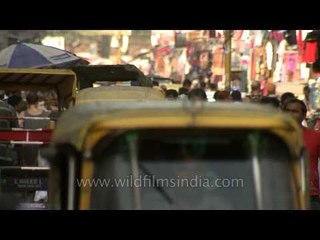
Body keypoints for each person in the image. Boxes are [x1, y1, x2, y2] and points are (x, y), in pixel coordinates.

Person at [282, 98, 320, 210]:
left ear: (303, 116)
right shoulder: (274, 137)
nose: (290, 114)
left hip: (309, 196)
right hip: (282, 194)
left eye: (294, 112)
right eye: (287, 111)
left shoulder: (315, 137)